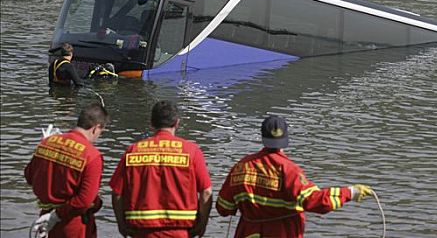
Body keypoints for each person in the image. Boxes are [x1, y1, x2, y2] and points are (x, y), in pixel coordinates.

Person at [216, 116, 374, 238]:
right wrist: (351, 192)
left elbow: (223, 207)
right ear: (285, 139)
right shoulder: (289, 170)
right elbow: (315, 201)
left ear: (262, 137)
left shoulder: (242, 166)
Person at [110, 101, 213, 238]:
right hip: (180, 232)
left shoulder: (133, 151)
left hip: (141, 232)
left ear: (151, 123)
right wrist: (202, 224)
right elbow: (206, 193)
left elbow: (117, 193)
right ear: (177, 123)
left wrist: (121, 225)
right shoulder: (192, 152)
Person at [25, 103, 109, 237]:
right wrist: (57, 216)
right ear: (96, 128)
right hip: (73, 224)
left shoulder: (47, 142)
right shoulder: (92, 156)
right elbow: (84, 200)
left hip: (44, 220)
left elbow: (29, 176)